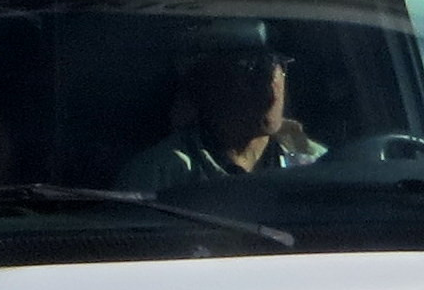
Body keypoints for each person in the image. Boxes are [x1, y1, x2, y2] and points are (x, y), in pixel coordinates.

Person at [115, 42, 325, 193]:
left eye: (276, 66)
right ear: (204, 86)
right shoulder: (160, 174)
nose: (269, 86)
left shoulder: (318, 164)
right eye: (250, 68)